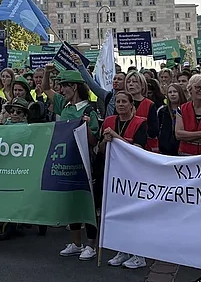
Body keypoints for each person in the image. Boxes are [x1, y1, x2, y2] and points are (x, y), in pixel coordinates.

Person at [55, 70, 101, 261]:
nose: (62, 89)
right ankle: (76, 242)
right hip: (67, 160)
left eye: (64, 86)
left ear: (74, 87)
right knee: (71, 201)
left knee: (86, 203)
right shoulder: (65, 108)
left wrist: (86, 126)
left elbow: (93, 140)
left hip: (84, 162)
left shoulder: (88, 110)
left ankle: (91, 245)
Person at [99, 90, 148, 270]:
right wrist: (105, 140)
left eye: (124, 102)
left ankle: (139, 254)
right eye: (118, 102)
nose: (120, 104)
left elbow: (137, 149)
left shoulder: (140, 123)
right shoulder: (109, 121)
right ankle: (122, 249)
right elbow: (101, 149)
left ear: (131, 105)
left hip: (133, 174)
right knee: (117, 212)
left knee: (134, 214)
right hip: (113, 173)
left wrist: (116, 137)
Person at [157, 83, 187, 155]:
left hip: (182, 148)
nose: (172, 94)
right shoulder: (162, 111)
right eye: (170, 92)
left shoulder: (187, 109)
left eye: (175, 91)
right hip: (165, 149)